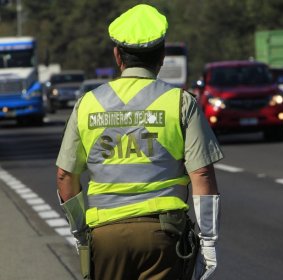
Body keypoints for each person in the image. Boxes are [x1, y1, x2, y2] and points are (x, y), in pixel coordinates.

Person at [56, 4, 223, 280]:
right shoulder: (180, 103)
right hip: (163, 236)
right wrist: (208, 241)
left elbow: (65, 176)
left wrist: (79, 232)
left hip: (106, 236)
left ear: (117, 56)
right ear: (162, 56)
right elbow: (202, 173)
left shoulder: (87, 104)